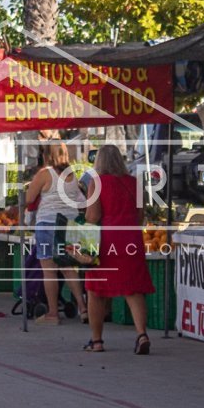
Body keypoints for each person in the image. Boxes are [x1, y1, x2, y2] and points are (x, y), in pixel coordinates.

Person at [76, 145, 155, 354]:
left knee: (95, 290)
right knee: (134, 289)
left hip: (107, 240)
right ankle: (142, 334)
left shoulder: (97, 183)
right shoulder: (135, 183)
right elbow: (140, 216)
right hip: (131, 238)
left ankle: (97, 340)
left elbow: (92, 217)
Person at [24, 140, 89, 325]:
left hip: (47, 224)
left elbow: (29, 198)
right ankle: (83, 308)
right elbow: (81, 201)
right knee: (68, 269)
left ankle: (53, 313)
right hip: (68, 225)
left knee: (49, 271)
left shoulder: (45, 174)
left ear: (46, 155)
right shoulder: (72, 176)